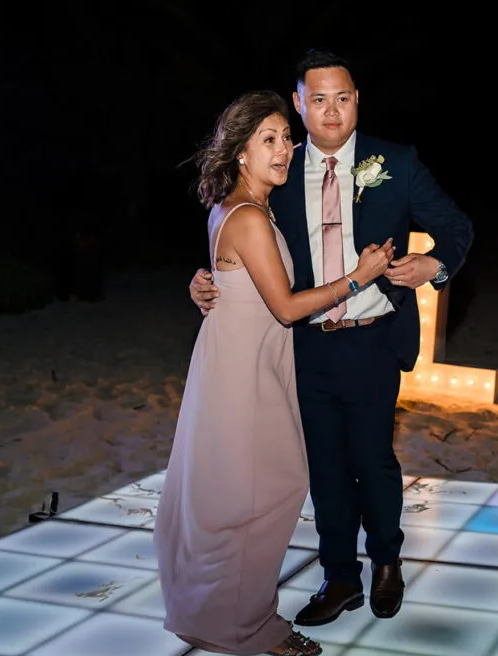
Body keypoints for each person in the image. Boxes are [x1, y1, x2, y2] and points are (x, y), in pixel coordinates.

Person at [189, 49, 474, 626]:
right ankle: (339, 574)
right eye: (317, 99)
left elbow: (456, 226)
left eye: (342, 98)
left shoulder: (395, 161)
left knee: (372, 458)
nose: (331, 111)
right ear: (299, 105)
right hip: (302, 345)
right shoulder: (279, 166)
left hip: (373, 338)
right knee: (323, 467)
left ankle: (387, 561)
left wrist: (433, 264)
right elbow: (241, 230)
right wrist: (205, 277)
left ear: (357, 100)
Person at [153, 90, 395, 656]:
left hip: (246, 360)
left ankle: (219, 612)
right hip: (243, 372)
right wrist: (360, 277)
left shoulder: (239, 208)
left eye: (287, 137)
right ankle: (247, 625)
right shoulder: (247, 215)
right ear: (240, 150)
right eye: (269, 139)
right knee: (263, 489)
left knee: (242, 490)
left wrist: (203, 283)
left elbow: (232, 278)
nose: (284, 148)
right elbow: (285, 307)